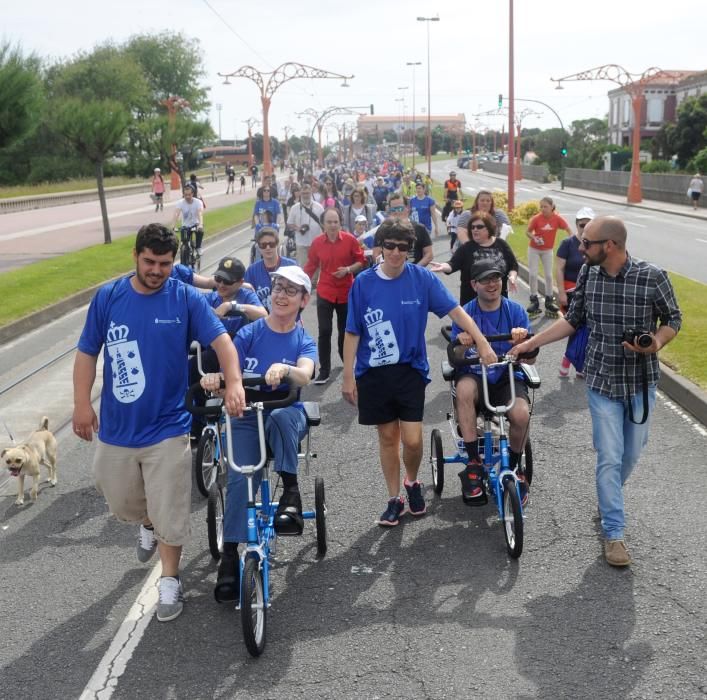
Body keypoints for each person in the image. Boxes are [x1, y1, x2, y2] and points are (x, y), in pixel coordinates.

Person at [72, 223, 245, 622]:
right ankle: (146, 521)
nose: (156, 270)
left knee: (170, 506)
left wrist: (234, 382)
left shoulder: (184, 298)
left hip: (168, 425)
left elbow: (222, 342)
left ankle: (170, 580)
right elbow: (86, 354)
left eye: (164, 263)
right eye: (149, 261)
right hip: (117, 427)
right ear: (135, 256)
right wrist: (82, 404)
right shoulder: (109, 297)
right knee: (120, 497)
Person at [510, 216, 682, 567]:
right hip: (601, 380)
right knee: (609, 455)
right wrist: (532, 340)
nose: (580, 247)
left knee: (631, 454)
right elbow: (572, 320)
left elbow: (673, 319)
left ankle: (608, 499)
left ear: (611, 246)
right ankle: (614, 533)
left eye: (586, 242)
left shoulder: (653, 277)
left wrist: (656, 343)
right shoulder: (588, 275)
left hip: (640, 381)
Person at [342, 218, 497, 527]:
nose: (397, 253)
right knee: (388, 437)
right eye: (390, 247)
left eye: (403, 248)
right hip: (374, 372)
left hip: (410, 369)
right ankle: (394, 499)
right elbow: (352, 332)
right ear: (381, 248)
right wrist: (348, 376)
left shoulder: (421, 279)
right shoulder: (363, 283)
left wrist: (481, 342)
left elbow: (455, 311)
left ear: (410, 250)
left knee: (412, 441)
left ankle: (412, 482)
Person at [200, 266, 317, 603]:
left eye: (290, 291)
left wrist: (287, 370)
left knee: (281, 414)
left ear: (303, 301)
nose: (281, 295)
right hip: (247, 416)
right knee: (240, 478)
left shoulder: (302, 340)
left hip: (284, 414)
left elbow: (306, 375)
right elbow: (229, 372)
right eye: (278, 287)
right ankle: (230, 555)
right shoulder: (250, 334)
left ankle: (291, 493)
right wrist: (215, 380)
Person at [450, 260, 533, 506]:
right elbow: (456, 358)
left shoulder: (516, 312)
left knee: (521, 415)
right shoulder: (465, 314)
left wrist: (520, 343)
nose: (492, 284)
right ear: (474, 284)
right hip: (476, 376)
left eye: (496, 278)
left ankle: (517, 467)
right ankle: (474, 461)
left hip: (507, 375)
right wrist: (463, 346)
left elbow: (531, 356)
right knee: (463, 388)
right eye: (485, 279)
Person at [188, 257, 267, 440]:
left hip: (241, 356)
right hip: (214, 355)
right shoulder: (210, 298)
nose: (222, 284)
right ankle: (198, 420)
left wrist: (231, 306)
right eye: (219, 279)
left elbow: (263, 314)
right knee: (191, 369)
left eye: (228, 281)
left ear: (240, 282)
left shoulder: (246, 296)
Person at [304, 206, 365, 384]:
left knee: (344, 331)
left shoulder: (350, 240)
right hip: (325, 291)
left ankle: (346, 362)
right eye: (329, 222)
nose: (332, 225)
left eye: (336, 222)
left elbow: (361, 261)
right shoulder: (317, 243)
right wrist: (298, 283)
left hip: (346, 292)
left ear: (340, 223)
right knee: (324, 331)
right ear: (323, 224)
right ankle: (324, 370)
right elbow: (311, 266)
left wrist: (347, 270)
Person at [429, 210, 519, 305]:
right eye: (472, 227)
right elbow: (453, 264)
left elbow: (513, 265)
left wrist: (512, 277)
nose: (475, 229)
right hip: (471, 302)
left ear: (489, 228)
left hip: (498, 301)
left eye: (479, 227)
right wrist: (443, 266)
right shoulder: (466, 248)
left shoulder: (501, 244)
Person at [555, 207, 595, 379]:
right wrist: (561, 292)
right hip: (571, 292)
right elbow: (559, 268)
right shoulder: (567, 244)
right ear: (577, 225)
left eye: (588, 224)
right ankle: (569, 360)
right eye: (581, 224)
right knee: (575, 328)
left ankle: (578, 364)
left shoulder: (596, 245)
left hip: (591, 294)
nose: (584, 227)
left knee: (586, 330)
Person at [525, 196, 571, 316]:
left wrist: (572, 241)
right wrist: (534, 237)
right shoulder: (536, 219)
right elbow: (527, 232)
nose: (543, 209)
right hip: (534, 249)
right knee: (533, 274)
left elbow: (568, 229)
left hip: (547, 250)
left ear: (552, 207)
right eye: (541, 206)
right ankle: (534, 300)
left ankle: (549, 300)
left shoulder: (557, 218)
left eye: (545, 206)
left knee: (549, 276)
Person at [371, 193, 433, 267]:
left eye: (399, 208)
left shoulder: (419, 228)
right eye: (393, 209)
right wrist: (387, 269)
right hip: (391, 273)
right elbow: (376, 253)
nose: (396, 212)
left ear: (407, 208)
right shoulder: (383, 229)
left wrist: (415, 270)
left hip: (414, 273)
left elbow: (429, 254)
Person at [244, 227, 297, 311]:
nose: (268, 248)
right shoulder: (252, 271)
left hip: (288, 316)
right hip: (262, 320)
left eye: (271, 244)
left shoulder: (291, 266)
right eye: (263, 245)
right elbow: (246, 297)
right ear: (258, 247)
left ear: (277, 244)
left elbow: (299, 294)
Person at [286, 183, 324, 268]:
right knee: (304, 268)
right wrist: (298, 228)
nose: (306, 195)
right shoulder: (294, 208)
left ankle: (314, 282)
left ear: (311, 193)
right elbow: (289, 224)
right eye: (303, 193)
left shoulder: (319, 207)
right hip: (301, 243)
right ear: (300, 193)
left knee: (317, 268)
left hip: (316, 243)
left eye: (307, 193)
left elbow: (324, 224)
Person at [172, 184, 205, 254]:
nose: (187, 197)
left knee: (200, 231)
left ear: (192, 194)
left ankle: (198, 247)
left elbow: (200, 214)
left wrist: (200, 224)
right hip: (185, 226)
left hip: (196, 224)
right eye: (185, 194)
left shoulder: (198, 202)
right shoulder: (180, 203)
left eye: (189, 194)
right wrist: (173, 225)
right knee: (184, 242)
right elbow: (176, 214)